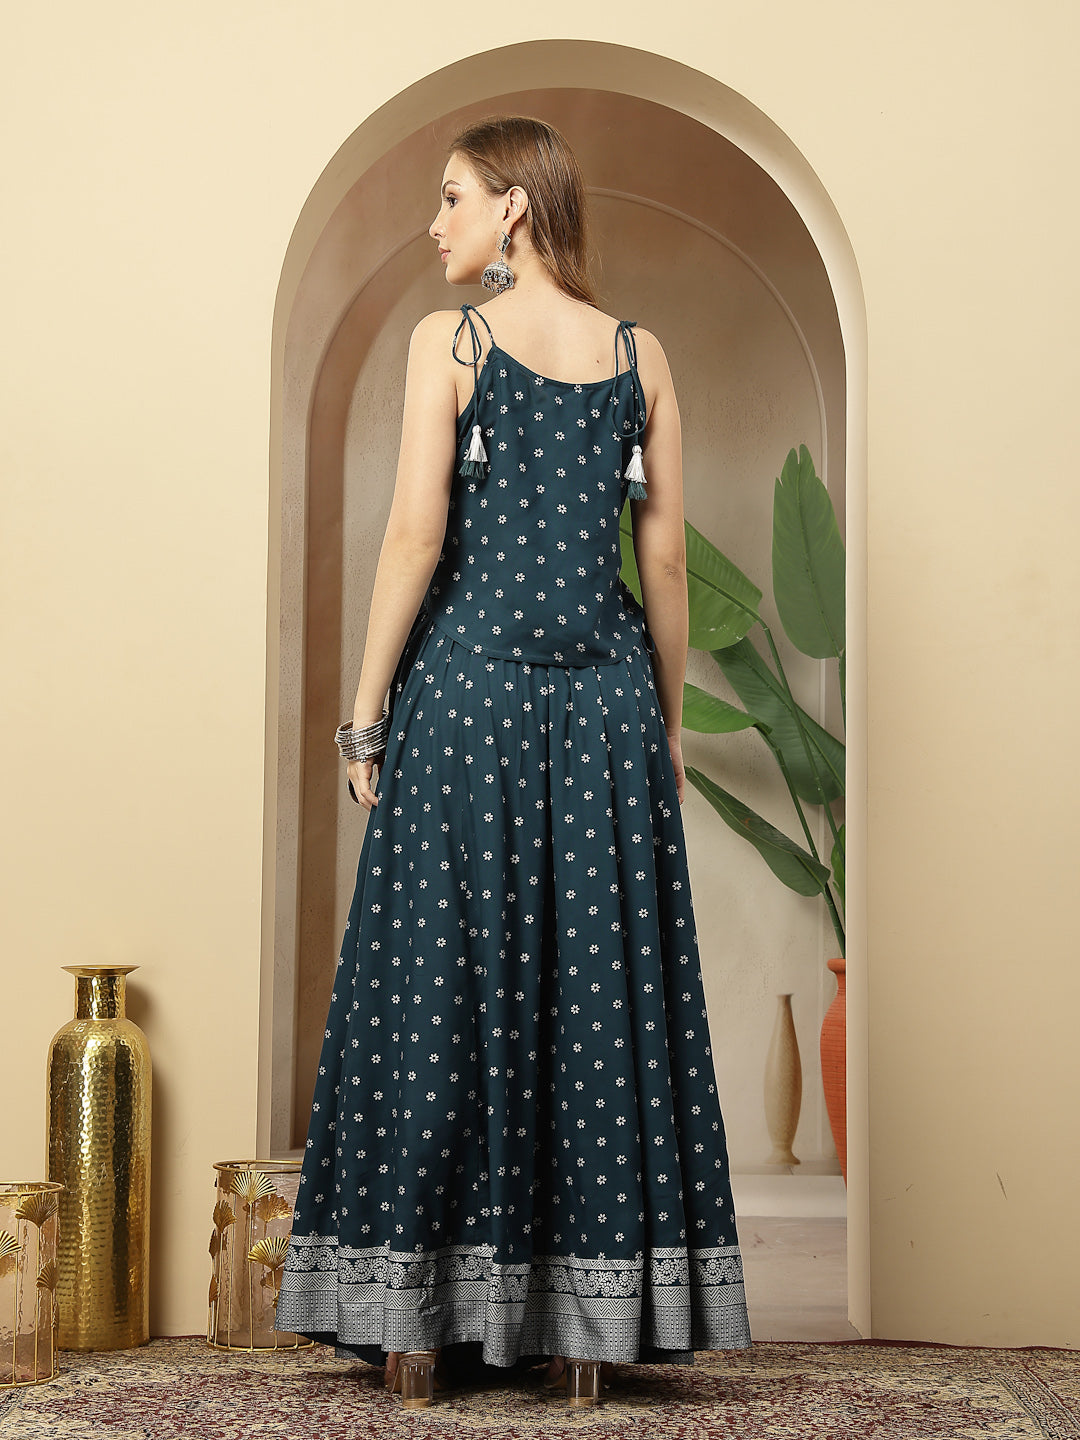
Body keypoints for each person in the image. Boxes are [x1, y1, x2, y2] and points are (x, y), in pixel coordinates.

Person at [275, 114, 752, 1409]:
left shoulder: (453, 341)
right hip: (603, 705)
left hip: (467, 704)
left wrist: (364, 712)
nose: (434, 222)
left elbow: (413, 537)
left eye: (451, 197)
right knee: (594, 1002)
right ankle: (589, 1343)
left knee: (440, 989)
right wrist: (661, 723)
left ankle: (416, 1336)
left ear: (513, 211)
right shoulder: (641, 355)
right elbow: (663, 561)